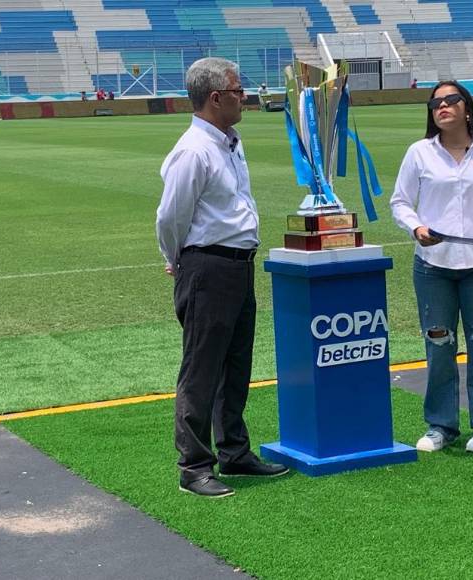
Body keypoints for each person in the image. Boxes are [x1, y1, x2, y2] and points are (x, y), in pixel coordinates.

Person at [156, 57, 289, 498]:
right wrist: (181, 261)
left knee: (235, 363)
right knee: (202, 368)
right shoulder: (194, 151)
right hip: (208, 266)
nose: (244, 97)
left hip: (235, 264)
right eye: (237, 91)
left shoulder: (229, 143)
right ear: (216, 98)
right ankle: (194, 466)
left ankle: (234, 450)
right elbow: (170, 217)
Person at [390, 80, 473, 454]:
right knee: (438, 345)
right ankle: (441, 425)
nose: (442, 106)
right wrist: (416, 228)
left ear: (467, 107)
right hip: (433, 266)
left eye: (451, 100)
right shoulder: (419, 153)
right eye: (435, 103)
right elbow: (400, 202)